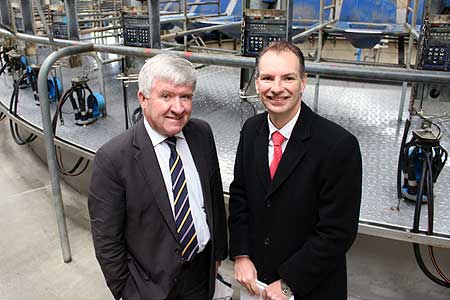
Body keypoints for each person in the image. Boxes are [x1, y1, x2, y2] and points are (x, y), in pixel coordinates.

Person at [228, 41, 362, 300]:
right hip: (257, 283)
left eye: (288, 78)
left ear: (303, 82)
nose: (276, 88)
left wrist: (290, 282)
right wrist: (241, 254)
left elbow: (337, 231)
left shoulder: (337, 145)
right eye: (267, 78)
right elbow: (240, 194)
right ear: (257, 83)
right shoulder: (251, 131)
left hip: (309, 287)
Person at [88, 53, 228, 300]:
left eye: (185, 96)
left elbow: (214, 197)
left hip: (201, 272)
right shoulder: (113, 159)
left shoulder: (201, 134)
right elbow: (107, 240)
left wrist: (218, 255)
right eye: (166, 96)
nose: (178, 107)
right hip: (151, 287)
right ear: (143, 98)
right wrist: (127, 292)